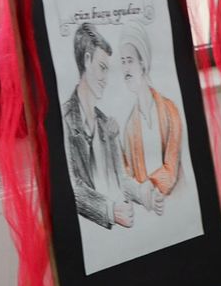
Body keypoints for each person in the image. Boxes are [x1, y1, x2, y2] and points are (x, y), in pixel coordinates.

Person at [62, 21, 132, 229]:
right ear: (86, 60)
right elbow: (70, 186)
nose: (106, 79)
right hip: (87, 230)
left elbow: (122, 178)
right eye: (102, 68)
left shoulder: (105, 123)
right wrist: (109, 211)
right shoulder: (63, 118)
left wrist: (145, 194)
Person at [115, 21, 183, 217]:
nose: (125, 68)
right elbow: (127, 174)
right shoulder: (129, 127)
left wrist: (151, 185)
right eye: (122, 61)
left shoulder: (170, 110)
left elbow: (171, 169)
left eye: (129, 60)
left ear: (142, 63)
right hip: (147, 211)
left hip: (175, 208)